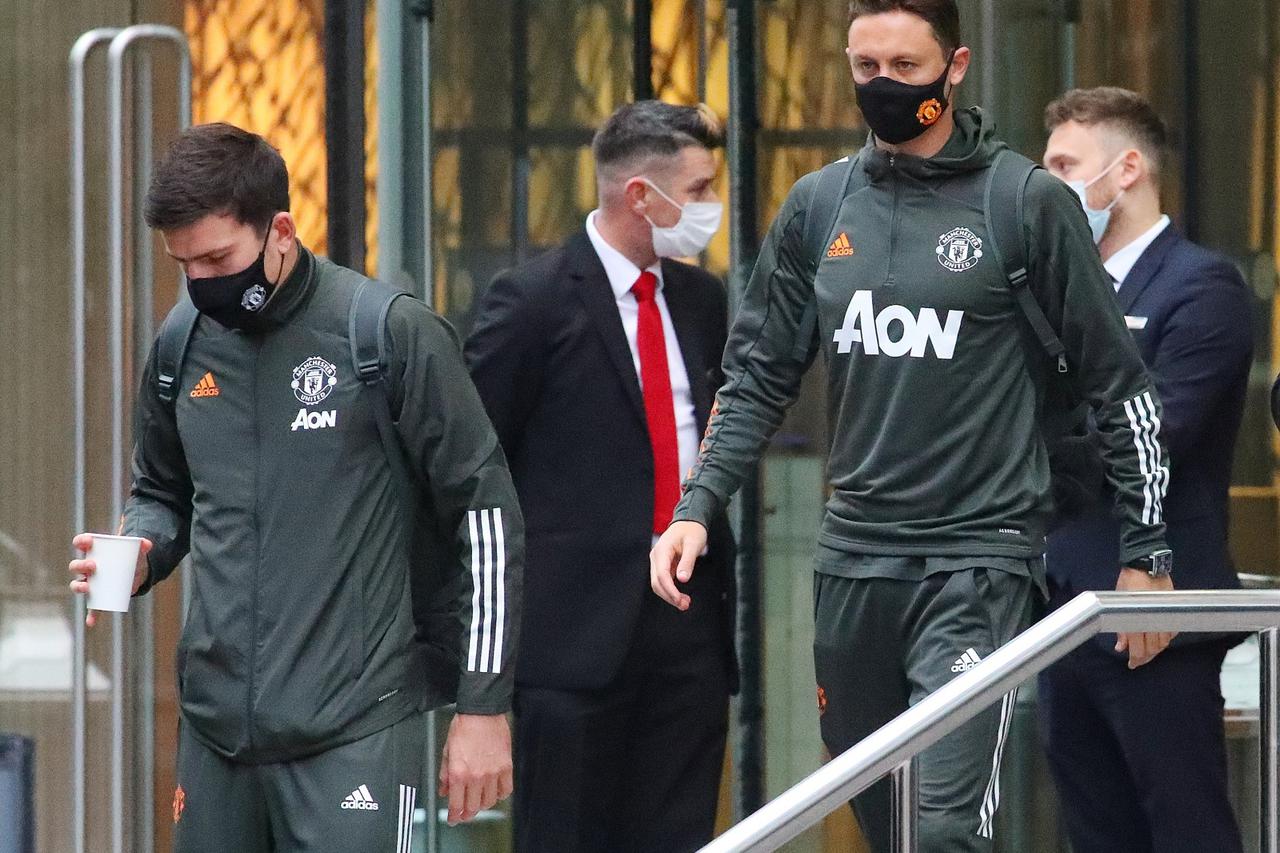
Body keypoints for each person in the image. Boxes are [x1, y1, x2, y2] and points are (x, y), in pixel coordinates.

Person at [650, 3, 1173, 851]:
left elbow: (1121, 383)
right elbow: (754, 376)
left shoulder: (1024, 202)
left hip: (977, 562)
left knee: (943, 833)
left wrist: (1147, 554)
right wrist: (696, 505)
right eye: (866, 68)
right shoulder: (822, 204)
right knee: (885, 826)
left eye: (905, 66)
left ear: (956, 66)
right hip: (853, 562)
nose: (884, 87)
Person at [66, 123, 523, 853]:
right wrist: (141, 546)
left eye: (218, 257)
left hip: (357, 729)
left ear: (280, 229)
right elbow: (161, 488)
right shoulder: (180, 342)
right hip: (216, 736)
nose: (201, 282)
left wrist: (484, 704)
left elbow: (486, 512)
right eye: (184, 264)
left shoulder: (385, 333)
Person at [465, 100, 737, 853]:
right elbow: (475, 468)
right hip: (572, 638)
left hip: (689, 622)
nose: (712, 206)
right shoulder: (531, 302)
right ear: (641, 196)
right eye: (702, 187)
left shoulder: (702, 300)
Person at [1039, 87, 1253, 853]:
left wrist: (1028, 451)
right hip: (1064, 602)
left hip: (1154, 612)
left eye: (1065, 165)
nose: (1049, 183)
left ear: (1126, 168)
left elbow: (1154, 433)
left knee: (1184, 824)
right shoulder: (1054, 291)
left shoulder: (1201, 286)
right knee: (1095, 829)